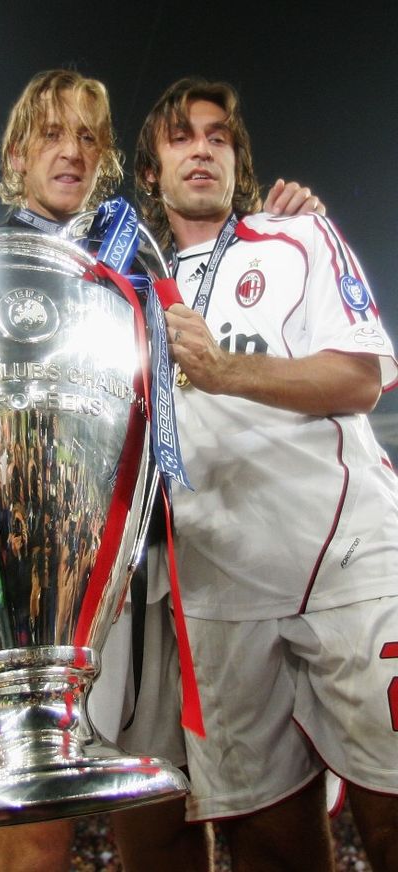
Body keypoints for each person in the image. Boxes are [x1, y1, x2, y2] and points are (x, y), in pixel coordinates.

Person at [0, 68, 325, 872]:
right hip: (43, 570)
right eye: (53, 135)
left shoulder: (129, 255)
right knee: (35, 806)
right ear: (17, 152)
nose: (72, 153)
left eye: (89, 138)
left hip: (154, 559)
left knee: (158, 798)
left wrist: (282, 223)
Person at [115, 76, 398, 872]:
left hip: (352, 564)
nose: (201, 148)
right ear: (150, 171)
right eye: (180, 137)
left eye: (218, 136)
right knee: (266, 846)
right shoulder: (127, 296)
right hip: (216, 591)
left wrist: (222, 373)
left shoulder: (300, 240)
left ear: (239, 161)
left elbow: (357, 379)